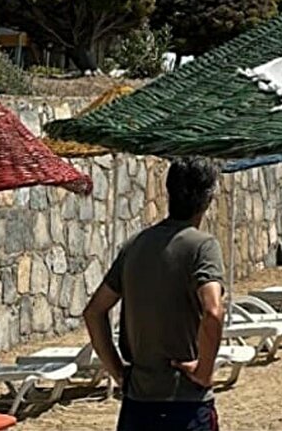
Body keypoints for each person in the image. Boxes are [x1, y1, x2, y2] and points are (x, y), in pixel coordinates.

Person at [84, 156, 225, 431]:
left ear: (169, 193)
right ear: (208, 199)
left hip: (138, 403)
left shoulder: (135, 246)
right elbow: (213, 311)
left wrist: (118, 372)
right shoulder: (203, 247)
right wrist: (204, 371)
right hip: (185, 400)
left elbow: (94, 312)